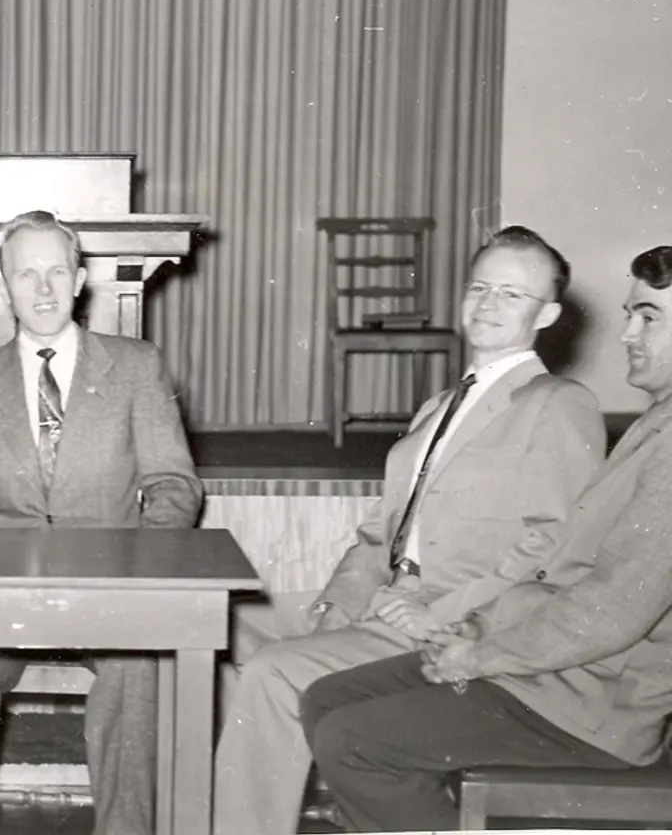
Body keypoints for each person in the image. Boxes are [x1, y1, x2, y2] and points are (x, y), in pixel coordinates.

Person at [213, 226, 606, 835]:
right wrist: (337, 605)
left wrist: (437, 612)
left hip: (452, 616)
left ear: (548, 314)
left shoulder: (557, 403)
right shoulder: (439, 408)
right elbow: (381, 531)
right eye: (479, 287)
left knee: (273, 670)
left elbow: (551, 549)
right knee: (223, 628)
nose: (487, 304)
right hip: (385, 599)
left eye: (511, 294)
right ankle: (289, 797)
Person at [298, 243, 672, 833]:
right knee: (327, 698)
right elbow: (560, 577)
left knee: (353, 740)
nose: (627, 334)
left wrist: (481, 654)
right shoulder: (657, 422)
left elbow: (612, 611)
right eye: (630, 315)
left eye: (649, 318)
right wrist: (474, 629)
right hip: (553, 672)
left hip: (594, 704)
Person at [0, 209, 203, 835]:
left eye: (57, 272)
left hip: (113, 593)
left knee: (140, 666)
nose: (44, 289)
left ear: (80, 281)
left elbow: (173, 485)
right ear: (5, 288)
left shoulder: (136, 366)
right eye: (27, 275)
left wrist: (139, 576)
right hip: (5, 597)